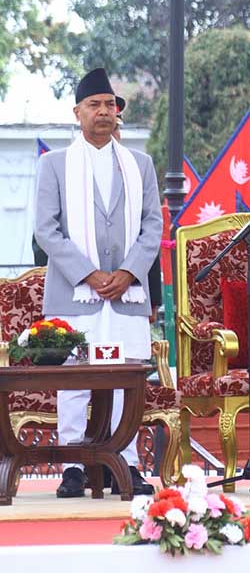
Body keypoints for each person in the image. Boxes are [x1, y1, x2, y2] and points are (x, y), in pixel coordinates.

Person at [34, 68, 160, 498]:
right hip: (75, 293)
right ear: (78, 113)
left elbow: (152, 226)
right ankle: (74, 465)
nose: (104, 112)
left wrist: (127, 272)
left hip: (127, 294)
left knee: (127, 380)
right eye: (95, 105)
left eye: (110, 105)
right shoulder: (53, 164)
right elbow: (46, 231)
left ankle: (123, 462)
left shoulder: (139, 164)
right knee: (74, 380)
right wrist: (90, 274)